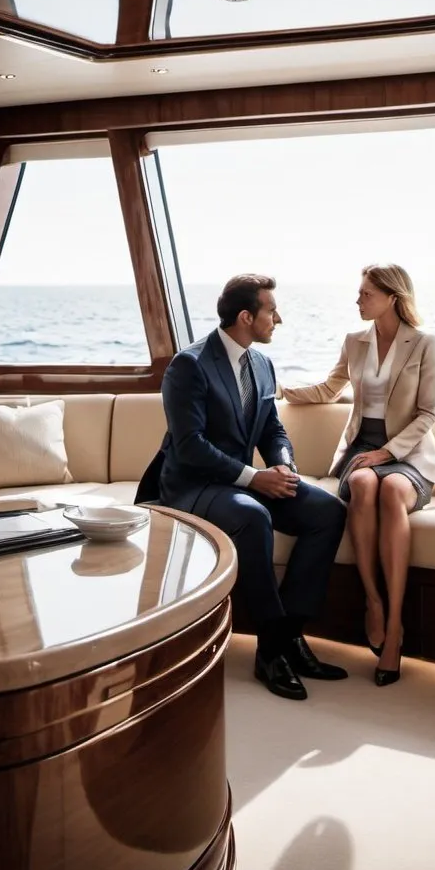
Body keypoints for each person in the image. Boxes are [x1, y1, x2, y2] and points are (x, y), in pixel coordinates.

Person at [136, 274, 349, 701]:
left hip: (240, 482)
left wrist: (284, 467)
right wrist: (255, 479)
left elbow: (272, 429)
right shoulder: (189, 365)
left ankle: (290, 635)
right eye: (271, 311)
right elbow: (190, 446)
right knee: (253, 515)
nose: (279, 319)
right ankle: (270, 650)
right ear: (246, 316)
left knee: (328, 512)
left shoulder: (262, 364)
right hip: (193, 486)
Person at [281, 264, 435, 686]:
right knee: (367, 484)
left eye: (366, 293)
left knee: (391, 492)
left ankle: (396, 629)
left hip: (409, 454)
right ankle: (373, 603)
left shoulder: (423, 343)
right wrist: (277, 389)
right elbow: (328, 390)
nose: (358, 300)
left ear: (392, 296)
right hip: (361, 450)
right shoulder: (354, 342)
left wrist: (390, 451)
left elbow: (427, 413)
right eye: (359, 292)